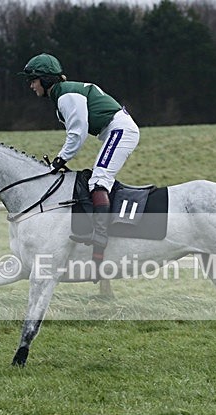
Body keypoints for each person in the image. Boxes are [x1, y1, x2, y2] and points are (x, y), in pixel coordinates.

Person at [20, 53, 140, 274]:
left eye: (33, 80)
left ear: (46, 80)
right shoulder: (62, 94)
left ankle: (100, 236)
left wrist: (59, 161)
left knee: (99, 180)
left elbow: (77, 134)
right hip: (116, 130)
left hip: (120, 130)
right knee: (96, 179)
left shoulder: (66, 96)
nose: (31, 85)